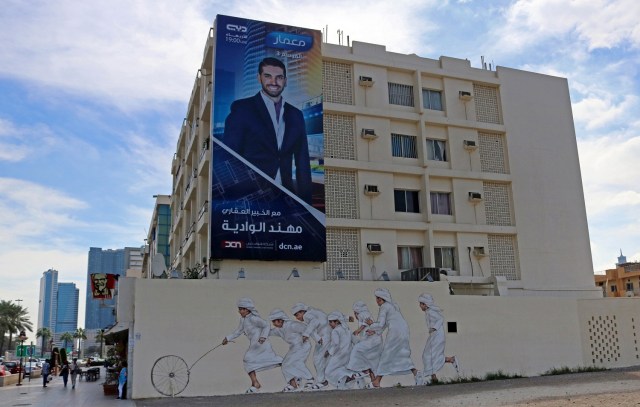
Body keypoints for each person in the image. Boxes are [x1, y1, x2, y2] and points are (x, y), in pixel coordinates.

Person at [222, 57, 313, 204]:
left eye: (279, 77)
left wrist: (306, 203)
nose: (274, 82)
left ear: (285, 81)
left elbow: (302, 161)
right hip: (250, 196)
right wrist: (233, 197)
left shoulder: (296, 114)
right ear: (259, 78)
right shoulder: (242, 108)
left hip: (285, 196)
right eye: (268, 76)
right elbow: (229, 157)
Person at [222, 298, 283, 393]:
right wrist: (228, 338)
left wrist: (263, 337)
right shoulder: (243, 320)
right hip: (255, 345)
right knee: (274, 360)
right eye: (239, 309)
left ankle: (256, 384)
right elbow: (238, 331)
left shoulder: (253, 318)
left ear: (247, 309)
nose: (239, 311)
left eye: (241, 309)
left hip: (261, 344)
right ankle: (255, 384)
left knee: (248, 359)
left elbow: (266, 325)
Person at [366, 288, 419, 388]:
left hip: (395, 332)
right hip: (403, 331)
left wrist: (371, 325)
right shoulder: (393, 306)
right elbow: (386, 324)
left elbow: (381, 323)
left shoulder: (384, 307)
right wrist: (374, 330)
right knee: (401, 354)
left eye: (377, 298)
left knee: (387, 353)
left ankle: (377, 381)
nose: (376, 301)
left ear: (381, 298)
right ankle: (416, 373)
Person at [268, 309, 313, 392]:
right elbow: (269, 332)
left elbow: (307, 328)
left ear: (280, 320)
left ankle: (310, 379)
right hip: (294, 348)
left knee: (295, 362)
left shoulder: (292, 325)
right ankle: (293, 384)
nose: (273, 324)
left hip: (303, 346)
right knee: (285, 364)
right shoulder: (279, 329)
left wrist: (306, 335)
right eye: (273, 322)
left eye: (274, 321)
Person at [418, 293, 460, 384]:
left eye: (421, 304)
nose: (419, 306)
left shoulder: (431, 312)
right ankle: (435, 377)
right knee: (428, 355)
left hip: (437, 336)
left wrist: (434, 328)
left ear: (425, 304)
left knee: (429, 355)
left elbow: (441, 319)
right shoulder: (428, 312)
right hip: (434, 336)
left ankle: (450, 361)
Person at [291, 302, 331, 390]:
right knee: (323, 359)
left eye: (297, 315)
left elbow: (314, 322)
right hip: (325, 336)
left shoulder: (307, 315)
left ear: (302, 312)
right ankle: (323, 380)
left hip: (324, 337)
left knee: (318, 359)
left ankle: (322, 381)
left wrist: (306, 334)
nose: (297, 318)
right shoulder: (313, 312)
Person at [324, 311, 363, 390]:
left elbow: (336, 344)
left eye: (331, 322)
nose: (330, 324)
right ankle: (351, 377)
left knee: (328, 372)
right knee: (341, 369)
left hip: (339, 355)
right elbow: (354, 340)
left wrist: (329, 352)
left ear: (337, 321)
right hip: (348, 354)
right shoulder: (346, 329)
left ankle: (351, 375)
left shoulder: (335, 331)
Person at [347, 301, 383, 382]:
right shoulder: (363, 315)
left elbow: (365, 323)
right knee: (369, 359)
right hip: (374, 342)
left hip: (372, 341)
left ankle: (359, 370)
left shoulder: (363, 314)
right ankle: (372, 379)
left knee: (356, 349)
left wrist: (358, 330)